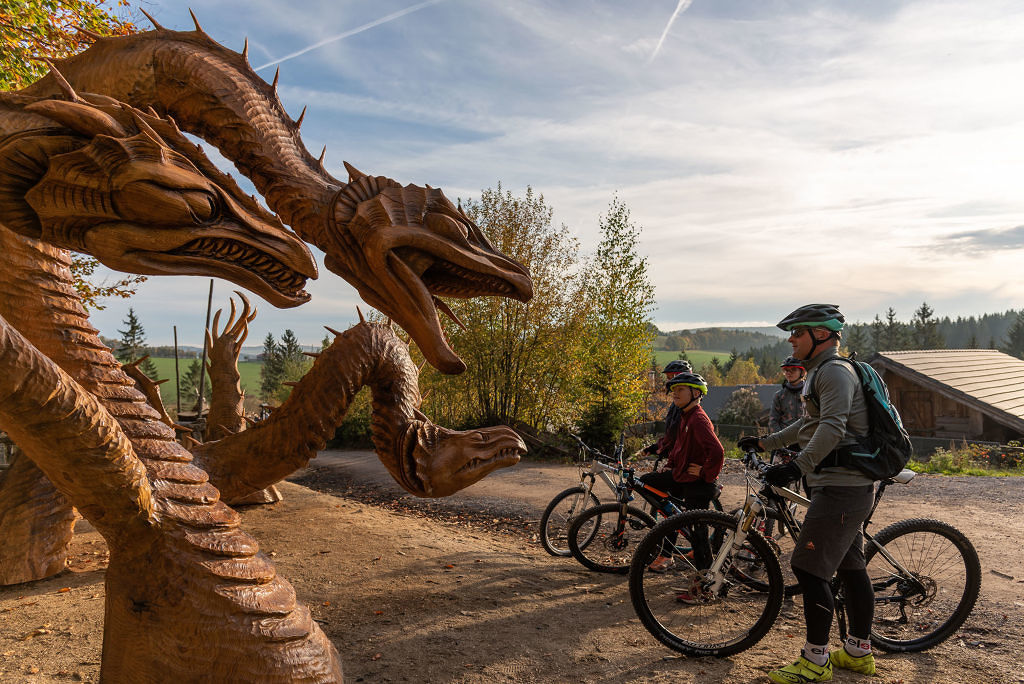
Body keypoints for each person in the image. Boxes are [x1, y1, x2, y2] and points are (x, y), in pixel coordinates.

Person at [738, 304, 877, 683]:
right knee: (850, 566)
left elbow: (831, 428)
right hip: (841, 485)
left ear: (821, 335)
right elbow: (809, 422)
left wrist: (795, 466)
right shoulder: (823, 373)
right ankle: (858, 652)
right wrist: (767, 443)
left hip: (842, 488)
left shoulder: (833, 372)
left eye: (797, 333)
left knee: (807, 566)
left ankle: (815, 662)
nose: (791, 339)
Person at [642, 371, 724, 581]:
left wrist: (705, 472)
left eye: (680, 390)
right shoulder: (685, 417)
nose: (674, 394)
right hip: (682, 475)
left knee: (699, 536)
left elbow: (717, 451)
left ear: (695, 393)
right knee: (645, 482)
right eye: (673, 391)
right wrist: (670, 466)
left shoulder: (698, 419)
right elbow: (679, 449)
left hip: (698, 483)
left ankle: (709, 580)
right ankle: (674, 517)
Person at [640, 359, 692, 461]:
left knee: (647, 478)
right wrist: (657, 447)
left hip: (682, 460)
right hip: (676, 458)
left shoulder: (685, 408)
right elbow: (671, 435)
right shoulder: (676, 405)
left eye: (669, 378)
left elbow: (677, 436)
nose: (667, 381)